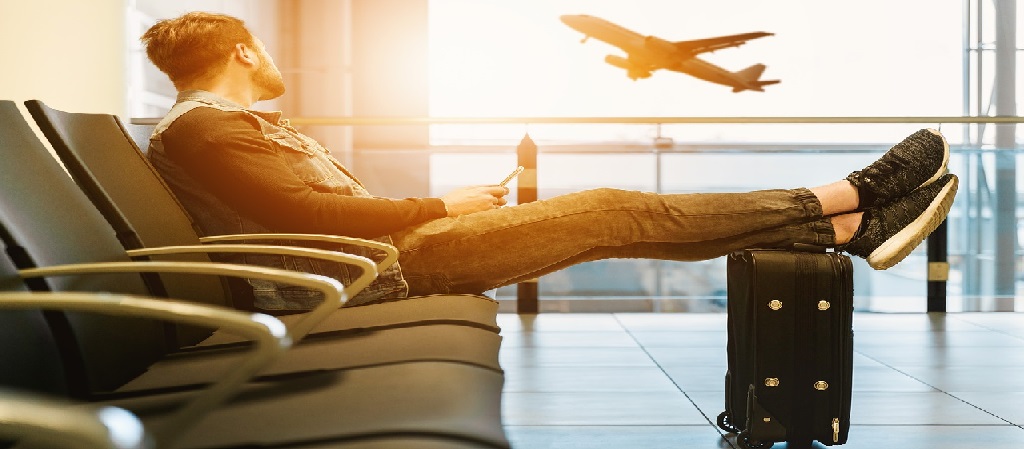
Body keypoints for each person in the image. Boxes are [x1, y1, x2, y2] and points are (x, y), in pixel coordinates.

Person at [140, 12, 958, 310]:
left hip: (381, 259)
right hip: (378, 272)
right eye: (264, 51)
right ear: (243, 51)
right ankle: (847, 197)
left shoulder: (219, 128)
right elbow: (307, 218)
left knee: (606, 229)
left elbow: (309, 209)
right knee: (612, 207)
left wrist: (445, 209)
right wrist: (442, 208)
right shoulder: (206, 130)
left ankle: (844, 232)